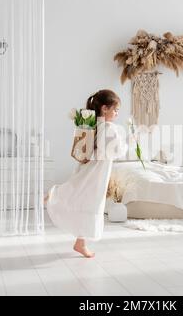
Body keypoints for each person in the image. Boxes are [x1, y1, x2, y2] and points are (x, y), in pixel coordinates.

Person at [45, 89, 126, 258]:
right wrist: (126, 143)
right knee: (88, 201)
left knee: (84, 201)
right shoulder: (109, 127)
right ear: (105, 108)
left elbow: (93, 149)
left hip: (90, 170)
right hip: (96, 173)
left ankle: (80, 242)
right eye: (115, 109)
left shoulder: (94, 124)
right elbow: (111, 151)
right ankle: (53, 195)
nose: (117, 113)